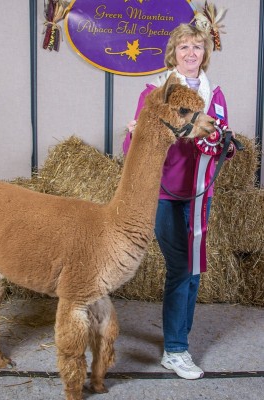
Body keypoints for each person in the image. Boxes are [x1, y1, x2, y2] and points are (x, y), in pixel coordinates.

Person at [123, 23, 236, 380]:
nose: (191, 54)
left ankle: (179, 341)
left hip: (201, 194)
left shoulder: (215, 95)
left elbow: (223, 145)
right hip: (165, 193)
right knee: (182, 267)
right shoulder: (155, 93)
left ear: (205, 54)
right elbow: (133, 149)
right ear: (174, 53)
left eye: (197, 48)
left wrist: (225, 145)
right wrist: (135, 134)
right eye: (184, 47)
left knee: (194, 267)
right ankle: (174, 350)